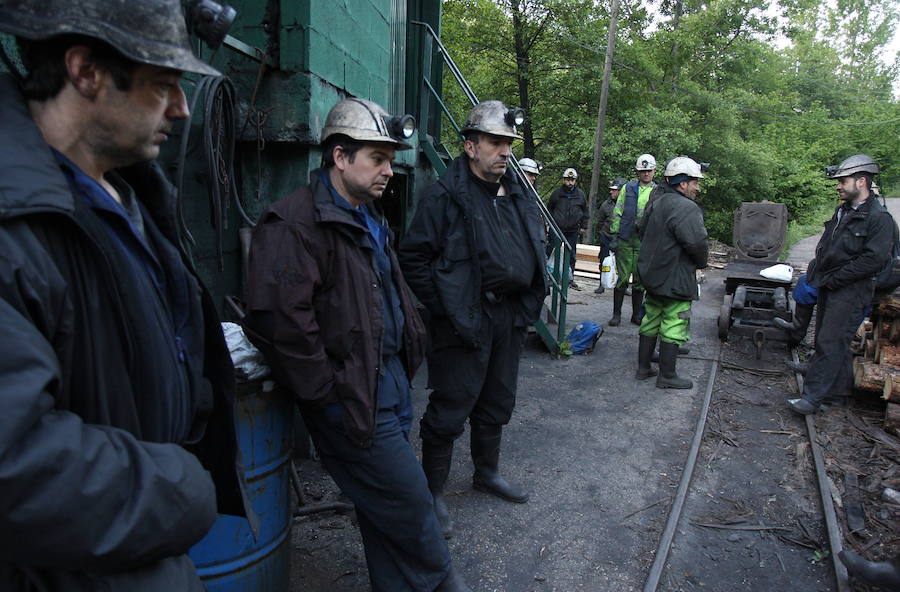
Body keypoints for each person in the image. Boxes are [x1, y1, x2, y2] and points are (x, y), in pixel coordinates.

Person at [0, 1, 251, 589]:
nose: (183, 107)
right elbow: (15, 463)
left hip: (140, 553)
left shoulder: (124, 193)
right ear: (85, 71)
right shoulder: (17, 223)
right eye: (163, 83)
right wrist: (183, 487)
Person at [242, 98, 470, 592]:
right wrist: (327, 395)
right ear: (340, 156)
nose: (389, 170)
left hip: (386, 382)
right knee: (412, 509)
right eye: (377, 158)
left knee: (382, 511)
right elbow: (281, 324)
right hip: (350, 396)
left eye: (390, 159)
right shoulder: (294, 224)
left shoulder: (368, 215)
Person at [399, 100, 548, 538]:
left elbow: (533, 244)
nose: (505, 151)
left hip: (508, 314)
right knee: (451, 405)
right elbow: (414, 258)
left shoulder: (517, 191)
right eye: (496, 143)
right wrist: (448, 305)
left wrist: (525, 301)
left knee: (498, 398)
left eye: (509, 144)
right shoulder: (445, 195)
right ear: (470, 146)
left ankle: (487, 473)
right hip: (466, 319)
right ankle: (433, 494)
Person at [788, 155, 895, 415]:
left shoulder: (879, 218)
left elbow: (874, 259)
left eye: (843, 181)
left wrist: (837, 278)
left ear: (861, 182)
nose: (838, 186)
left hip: (851, 289)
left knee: (830, 341)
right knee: (830, 336)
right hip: (831, 284)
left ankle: (812, 397)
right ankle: (836, 393)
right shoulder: (844, 210)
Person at [635, 157, 709, 389]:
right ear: (683, 183)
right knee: (675, 323)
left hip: (652, 275)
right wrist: (701, 262)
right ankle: (667, 376)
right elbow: (697, 243)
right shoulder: (687, 208)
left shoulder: (656, 201)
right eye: (695, 182)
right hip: (675, 278)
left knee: (651, 319)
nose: (697, 187)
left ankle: (643, 367)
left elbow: (642, 230)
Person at [609, 154, 658, 325]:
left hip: (644, 242)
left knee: (640, 280)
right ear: (637, 172)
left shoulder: (658, 192)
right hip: (625, 238)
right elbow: (618, 211)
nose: (646, 174)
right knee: (622, 277)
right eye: (642, 171)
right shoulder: (627, 188)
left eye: (649, 171)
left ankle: (636, 315)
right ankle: (616, 315)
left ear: (654, 171)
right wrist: (614, 235)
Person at [548, 167, 588, 289]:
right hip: (557, 228)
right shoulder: (557, 194)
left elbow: (585, 211)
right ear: (564, 180)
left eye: (572, 180)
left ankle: (569, 279)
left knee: (571, 255)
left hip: (572, 230)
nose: (570, 182)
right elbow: (549, 209)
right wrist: (550, 224)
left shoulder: (580, 195)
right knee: (551, 252)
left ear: (575, 180)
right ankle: (550, 277)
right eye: (568, 179)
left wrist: (584, 226)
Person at [594, 178, 625, 294]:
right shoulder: (605, 205)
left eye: (614, 190)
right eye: (611, 190)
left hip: (621, 239)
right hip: (606, 237)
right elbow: (600, 222)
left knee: (622, 263)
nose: (611, 192)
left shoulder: (627, 205)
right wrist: (602, 235)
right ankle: (601, 284)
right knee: (603, 260)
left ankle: (622, 286)